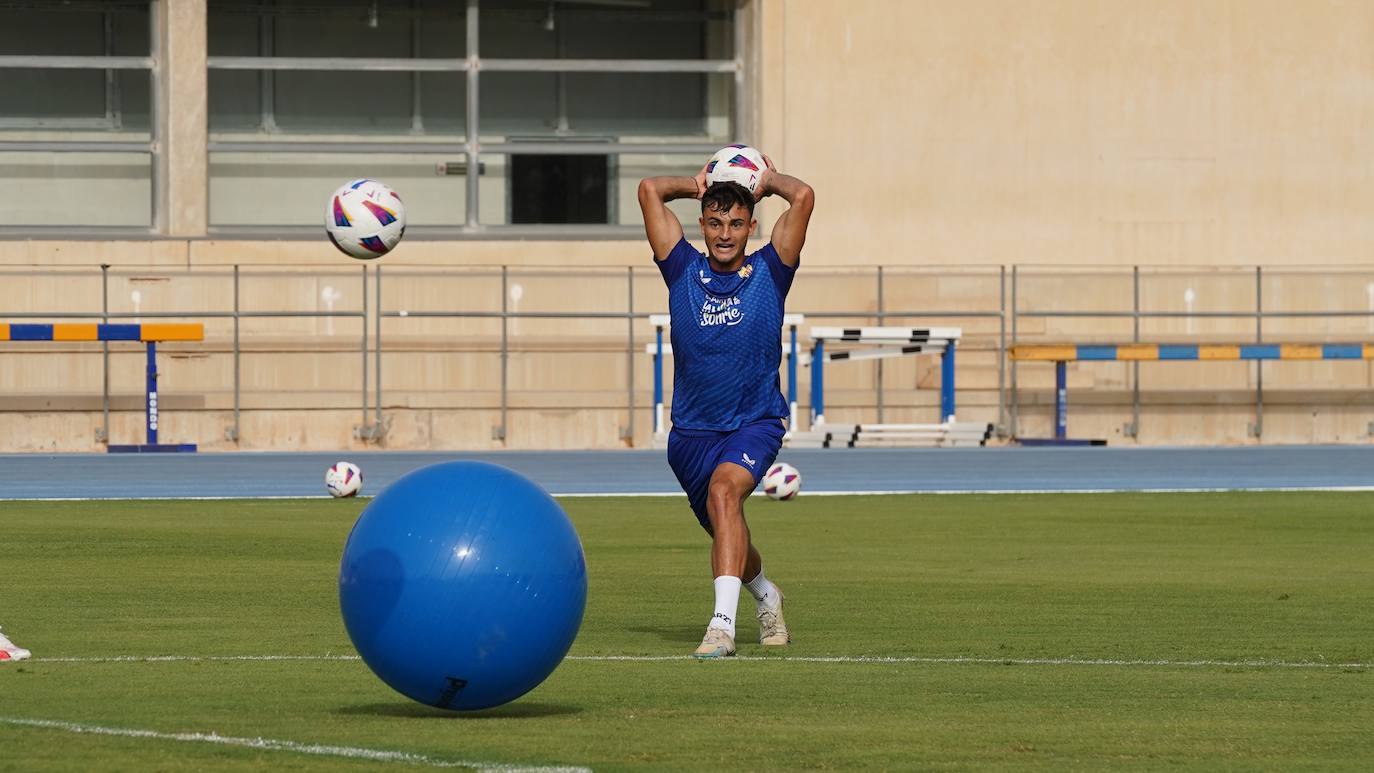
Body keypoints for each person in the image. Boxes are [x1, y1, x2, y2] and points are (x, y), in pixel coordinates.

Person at [637, 155, 815, 659]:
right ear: (702, 225)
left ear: (751, 225)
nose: (725, 233)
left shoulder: (771, 270)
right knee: (725, 521)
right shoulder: (681, 268)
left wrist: (763, 180)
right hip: (691, 434)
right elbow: (650, 189)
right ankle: (766, 594)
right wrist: (699, 184)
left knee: (724, 494)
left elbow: (802, 196)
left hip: (754, 421)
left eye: (736, 223)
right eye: (715, 222)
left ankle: (721, 627)